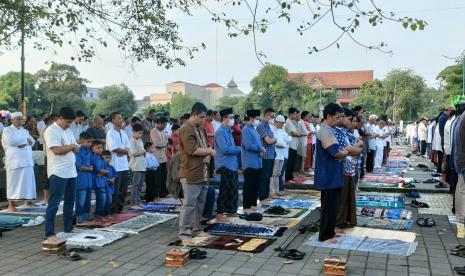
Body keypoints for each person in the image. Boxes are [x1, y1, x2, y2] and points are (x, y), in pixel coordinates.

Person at [178, 102, 215, 240]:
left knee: (200, 203)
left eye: (204, 117)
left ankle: (197, 229)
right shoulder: (186, 128)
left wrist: (208, 152)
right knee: (189, 204)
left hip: (203, 172)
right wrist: (210, 151)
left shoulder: (200, 128)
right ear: (194, 115)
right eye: (201, 117)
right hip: (190, 172)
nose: (203, 120)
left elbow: (205, 145)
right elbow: (191, 150)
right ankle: (184, 232)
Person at [43, 107, 79, 243]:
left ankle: (68, 227)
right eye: (68, 122)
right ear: (61, 118)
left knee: (70, 201)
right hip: (58, 171)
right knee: (54, 203)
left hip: (71, 170)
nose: (69, 125)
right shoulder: (51, 130)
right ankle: (49, 233)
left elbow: (77, 147)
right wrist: (70, 147)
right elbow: (57, 150)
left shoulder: (68, 130)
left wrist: (70, 147)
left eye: (71, 122)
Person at [314, 103, 348, 243]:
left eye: (341, 117)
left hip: (333, 174)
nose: (339, 119)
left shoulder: (330, 129)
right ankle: (324, 236)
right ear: (328, 116)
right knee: (328, 207)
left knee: (333, 206)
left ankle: (330, 231)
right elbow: (335, 153)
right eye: (337, 117)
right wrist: (347, 151)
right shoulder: (325, 131)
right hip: (327, 174)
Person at [1, 112, 37, 212]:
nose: (20, 121)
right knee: (13, 182)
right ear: (12, 120)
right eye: (17, 119)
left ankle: (28, 201)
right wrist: (26, 140)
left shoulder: (24, 130)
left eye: (21, 119)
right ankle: (11, 204)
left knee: (28, 181)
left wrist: (25, 142)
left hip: (27, 159)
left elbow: (32, 141)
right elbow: (11, 142)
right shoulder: (7, 130)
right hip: (15, 160)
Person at [335, 108, 362, 230]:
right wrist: (356, 148)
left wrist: (354, 148)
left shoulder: (345, 132)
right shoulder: (337, 131)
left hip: (348, 167)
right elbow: (347, 150)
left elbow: (351, 149)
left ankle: (345, 220)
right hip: (341, 168)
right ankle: (338, 222)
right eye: (351, 120)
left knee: (347, 197)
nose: (353, 123)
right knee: (341, 198)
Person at [215, 108, 241, 221]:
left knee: (234, 188)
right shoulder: (220, 132)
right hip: (225, 163)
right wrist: (238, 149)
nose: (232, 120)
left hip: (232, 163)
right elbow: (225, 149)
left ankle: (231, 211)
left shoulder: (228, 131)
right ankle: (220, 213)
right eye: (230, 118)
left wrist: (235, 149)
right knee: (225, 189)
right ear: (225, 118)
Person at [106, 112, 130, 214]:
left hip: (124, 165)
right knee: (115, 190)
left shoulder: (123, 132)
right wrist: (125, 151)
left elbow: (128, 147)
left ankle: (119, 210)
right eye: (118, 118)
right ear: (113, 120)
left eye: (121, 118)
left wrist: (125, 151)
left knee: (123, 190)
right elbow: (114, 148)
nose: (121, 120)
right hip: (115, 165)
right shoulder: (110, 133)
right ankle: (112, 211)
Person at [241, 110, 264, 213]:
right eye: (256, 119)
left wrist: (260, 148)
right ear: (251, 119)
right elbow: (248, 145)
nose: (257, 121)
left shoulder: (253, 129)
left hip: (257, 161)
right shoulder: (246, 129)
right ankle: (246, 206)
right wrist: (260, 148)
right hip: (249, 162)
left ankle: (253, 204)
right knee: (249, 185)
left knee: (255, 184)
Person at [257, 108, 277, 201]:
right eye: (272, 117)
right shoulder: (261, 126)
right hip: (265, 155)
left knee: (268, 176)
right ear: (267, 115)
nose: (273, 119)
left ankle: (266, 195)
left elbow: (271, 139)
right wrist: (275, 140)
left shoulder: (268, 125)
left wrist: (273, 139)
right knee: (264, 177)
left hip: (271, 154)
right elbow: (268, 141)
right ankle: (262, 196)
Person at [75, 132, 94, 226]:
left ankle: (86, 217)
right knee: (80, 201)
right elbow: (79, 166)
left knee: (87, 200)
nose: (90, 144)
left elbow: (91, 164)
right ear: (81, 141)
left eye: (91, 142)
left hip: (88, 180)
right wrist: (89, 168)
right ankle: (79, 219)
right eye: (88, 142)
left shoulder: (90, 152)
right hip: (81, 180)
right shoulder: (78, 151)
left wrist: (89, 168)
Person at [270, 115, 291, 198]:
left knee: (278, 174)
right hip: (275, 154)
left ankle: (277, 190)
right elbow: (277, 141)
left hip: (282, 154)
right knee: (273, 174)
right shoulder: (271, 129)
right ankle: (272, 191)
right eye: (281, 123)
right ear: (277, 122)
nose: (282, 125)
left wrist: (283, 143)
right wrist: (282, 144)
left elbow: (289, 139)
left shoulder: (281, 130)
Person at [91, 140, 110, 223]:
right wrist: (105, 172)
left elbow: (105, 169)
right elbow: (99, 170)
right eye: (97, 148)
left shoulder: (101, 158)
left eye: (101, 147)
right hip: (97, 182)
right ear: (92, 149)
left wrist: (104, 172)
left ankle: (103, 214)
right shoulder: (94, 158)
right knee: (101, 199)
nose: (100, 149)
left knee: (106, 199)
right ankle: (98, 215)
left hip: (103, 180)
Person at [150, 117, 169, 198]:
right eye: (164, 125)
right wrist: (164, 143)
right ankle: (157, 193)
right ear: (159, 123)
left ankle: (163, 192)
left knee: (163, 176)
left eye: (165, 125)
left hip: (163, 156)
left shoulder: (163, 131)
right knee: (158, 177)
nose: (164, 127)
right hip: (156, 157)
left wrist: (164, 143)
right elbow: (157, 144)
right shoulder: (153, 131)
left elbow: (167, 142)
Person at [128, 123, 146, 207]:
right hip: (135, 165)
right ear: (133, 132)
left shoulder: (140, 140)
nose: (140, 135)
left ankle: (138, 200)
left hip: (142, 164)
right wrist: (143, 152)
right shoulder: (131, 141)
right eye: (139, 133)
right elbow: (133, 153)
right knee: (135, 184)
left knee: (140, 184)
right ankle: (133, 201)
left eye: (141, 133)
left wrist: (143, 152)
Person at [285, 108, 301, 183]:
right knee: (290, 162)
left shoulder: (291, 122)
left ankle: (290, 176)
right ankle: (288, 178)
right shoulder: (288, 122)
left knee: (292, 161)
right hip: (290, 145)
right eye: (294, 114)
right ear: (290, 114)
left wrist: (298, 134)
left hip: (294, 144)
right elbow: (293, 133)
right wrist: (298, 134)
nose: (295, 116)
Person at [102, 150, 117, 221]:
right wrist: (108, 180)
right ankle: (104, 214)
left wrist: (113, 179)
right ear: (102, 158)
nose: (108, 159)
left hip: (111, 187)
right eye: (106, 157)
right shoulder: (102, 168)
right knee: (105, 200)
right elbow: (101, 176)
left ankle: (108, 213)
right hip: (105, 186)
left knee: (110, 201)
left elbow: (115, 175)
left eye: (109, 158)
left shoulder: (111, 167)